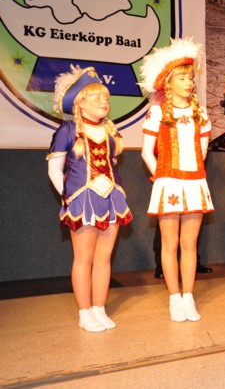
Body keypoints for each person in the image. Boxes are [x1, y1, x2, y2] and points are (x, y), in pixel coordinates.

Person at [47, 65, 133, 332]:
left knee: (104, 258)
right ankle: (84, 313)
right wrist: (69, 198)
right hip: (82, 200)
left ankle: (99, 308)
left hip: (111, 198)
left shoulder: (111, 132)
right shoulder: (67, 130)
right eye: (96, 97)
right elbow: (54, 169)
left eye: (106, 97)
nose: (103, 101)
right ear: (80, 103)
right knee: (84, 258)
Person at [140, 38, 214, 322]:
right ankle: (174, 298)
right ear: (168, 83)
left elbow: (202, 152)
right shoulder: (158, 112)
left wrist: (191, 172)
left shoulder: (201, 114)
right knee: (169, 244)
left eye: (190, 78)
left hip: (195, 183)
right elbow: (146, 152)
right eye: (181, 78)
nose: (188, 83)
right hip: (168, 182)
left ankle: (188, 297)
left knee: (190, 244)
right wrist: (161, 176)